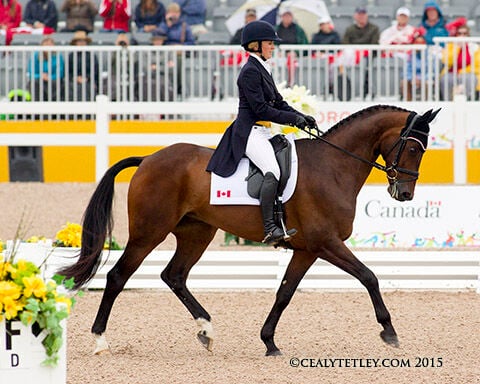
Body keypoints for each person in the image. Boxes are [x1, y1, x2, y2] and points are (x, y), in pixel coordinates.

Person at [206, 20, 317, 245]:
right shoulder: (249, 72)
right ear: (255, 45)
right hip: (248, 132)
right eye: (269, 43)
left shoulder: (261, 68)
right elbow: (261, 109)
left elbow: (279, 102)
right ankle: (269, 227)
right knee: (272, 170)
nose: (273, 47)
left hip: (263, 131)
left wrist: (301, 118)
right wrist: (292, 118)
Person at [342, 7, 379, 99]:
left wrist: (362, 52)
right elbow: (345, 43)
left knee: (364, 63)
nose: (361, 17)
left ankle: (363, 93)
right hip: (352, 56)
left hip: (369, 56)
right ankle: (351, 93)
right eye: (359, 14)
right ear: (355, 16)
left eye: (363, 14)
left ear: (366, 16)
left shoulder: (374, 28)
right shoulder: (350, 29)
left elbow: (374, 44)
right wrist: (355, 52)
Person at [440, 25, 478, 101]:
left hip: (468, 73)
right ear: (456, 35)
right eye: (459, 33)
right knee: (445, 79)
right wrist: (457, 48)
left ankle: (467, 101)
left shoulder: (475, 47)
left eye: (464, 33)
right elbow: (446, 61)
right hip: (451, 73)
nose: (462, 36)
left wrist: (461, 72)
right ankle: (447, 103)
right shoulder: (450, 46)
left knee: (470, 79)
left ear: (468, 35)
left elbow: (477, 65)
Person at [27, 36, 64, 101]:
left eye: (50, 44)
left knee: (57, 83)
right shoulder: (36, 55)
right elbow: (31, 72)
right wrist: (40, 76)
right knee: (34, 82)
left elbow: (60, 73)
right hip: (39, 80)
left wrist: (50, 77)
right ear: (42, 45)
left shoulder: (58, 56)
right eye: (46, 44)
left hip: (53, 80)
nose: (48, 46)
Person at [67, 30, 99, 101]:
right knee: (70, 87)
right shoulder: (71, 56)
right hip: (73, 81)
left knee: (87, 87)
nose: (81, 43)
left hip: (88, 81)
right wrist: (75, 78)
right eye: (79, 41)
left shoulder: (91, 56)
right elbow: (67, 71)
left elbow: (95, 71)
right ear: (75, 43)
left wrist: (87, 78)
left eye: (83, 41)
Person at [400, 30, 430, 101]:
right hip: (413, 78)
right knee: (404, 82)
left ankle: (426, 104)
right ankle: (408, 103)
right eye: (417, 43)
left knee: (427, 83)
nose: (419, 45)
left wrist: (420, 78)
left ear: (425, 44)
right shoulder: (410, 55)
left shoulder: (430, 55)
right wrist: (412, 78)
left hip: (425, 78)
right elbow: (406, 71)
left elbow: (433, 72)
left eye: (421, 43)